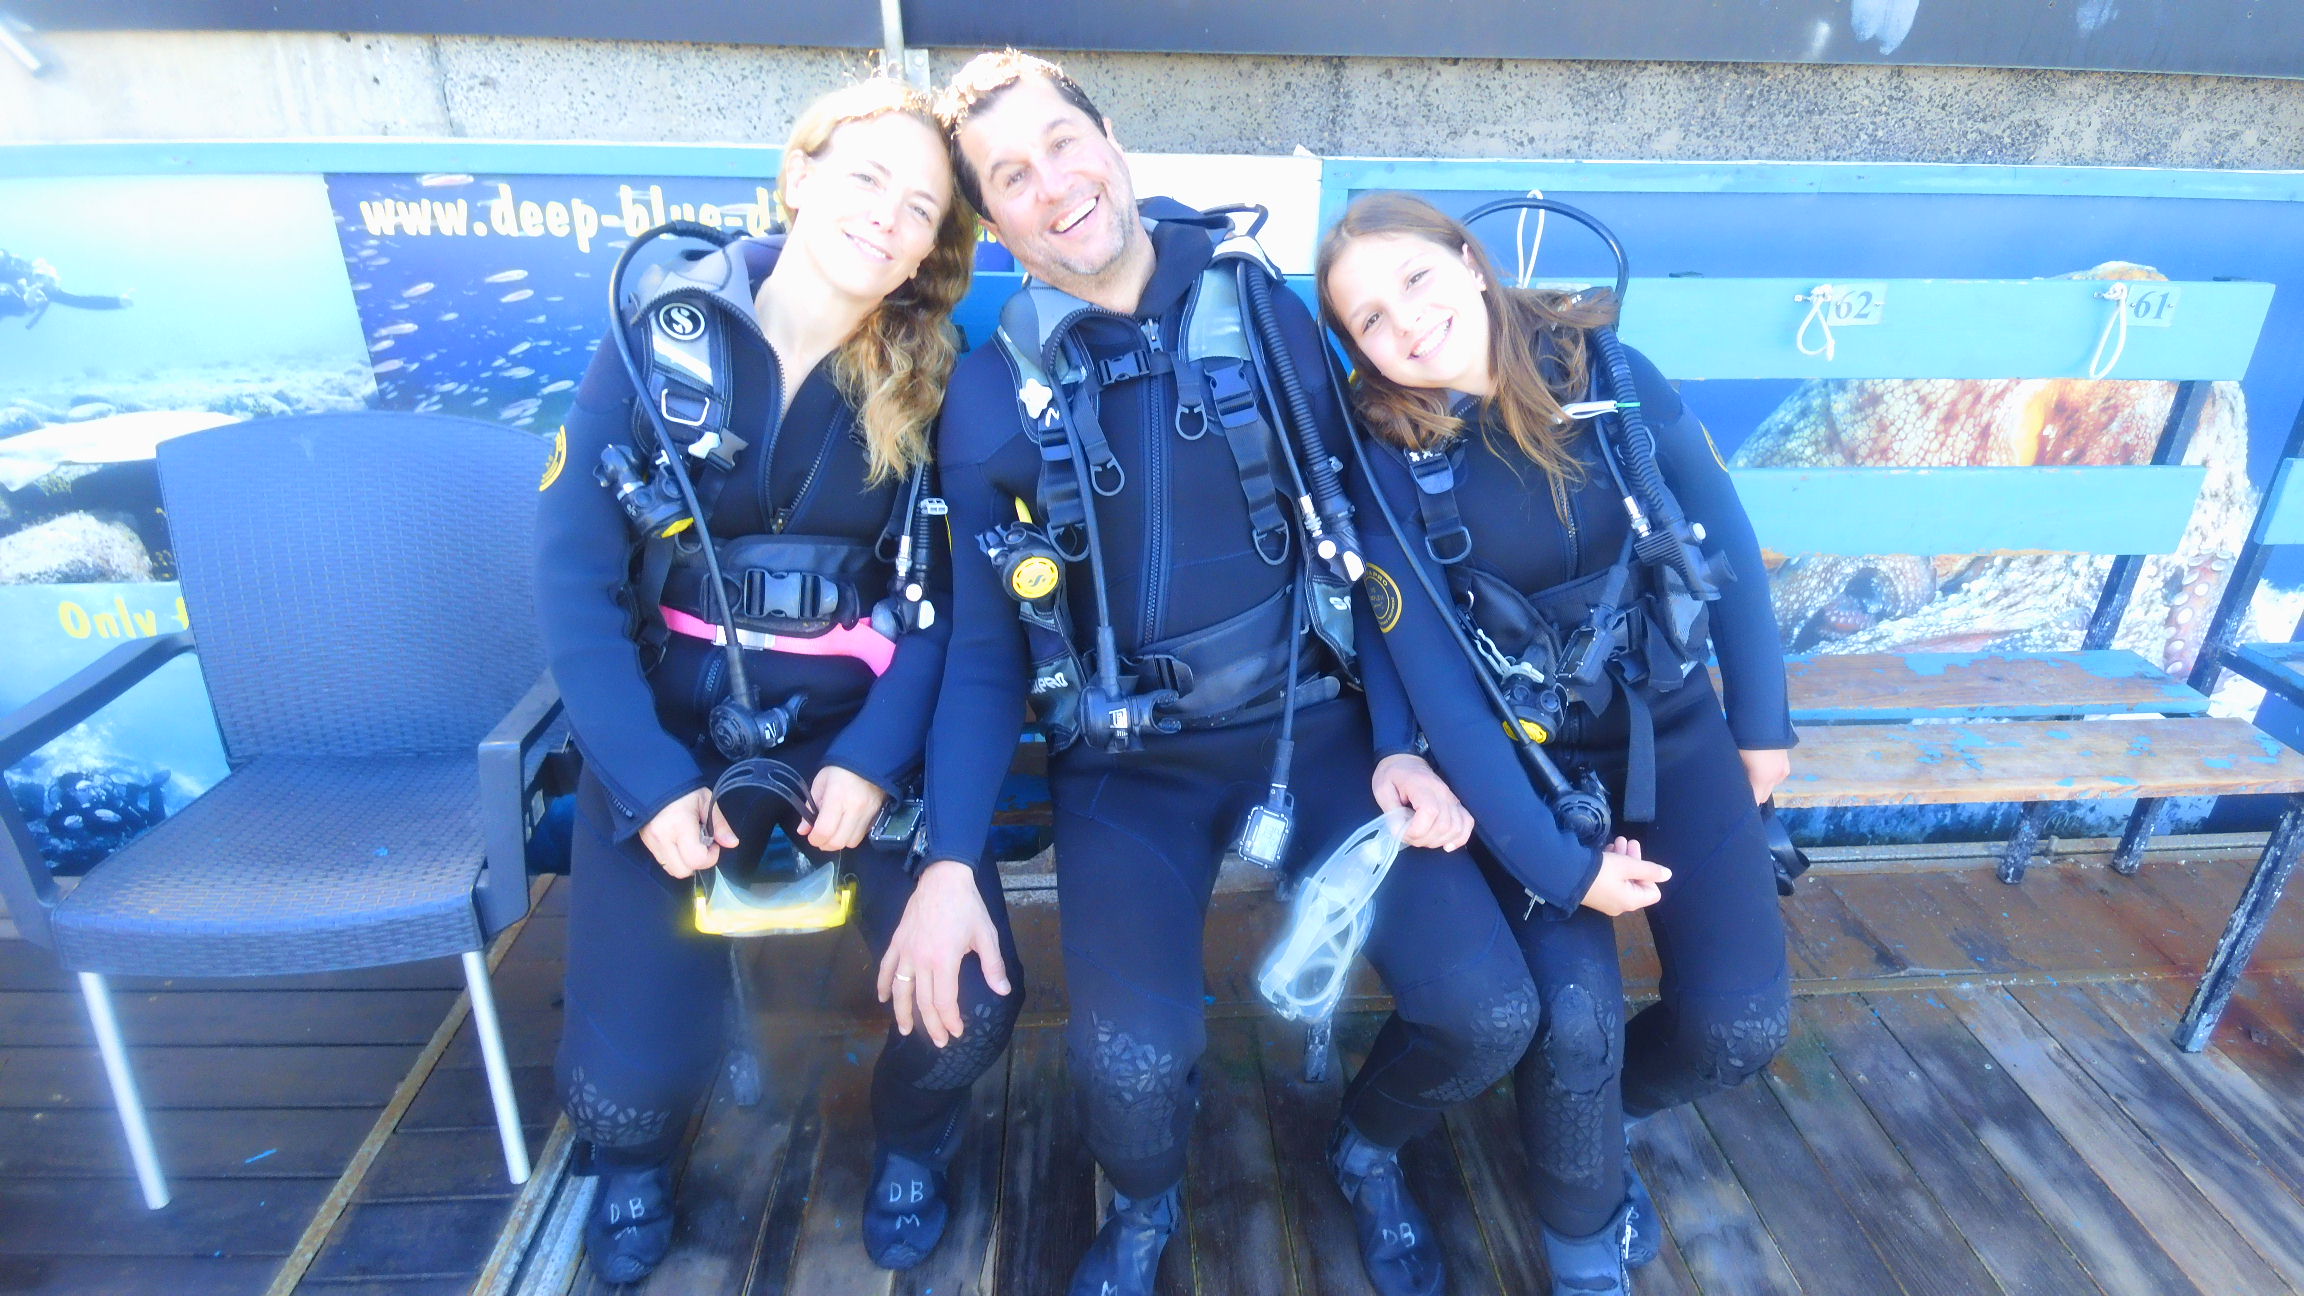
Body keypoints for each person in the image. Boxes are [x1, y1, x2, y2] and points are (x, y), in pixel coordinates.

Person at [887, 50, 1552, 1296]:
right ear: (993, 226)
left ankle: (1367, 1148)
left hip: (1319, 727)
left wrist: (1400, 741)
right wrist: (948, 864)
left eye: (1062, 145)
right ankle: (1144, 1208)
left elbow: (1369, 544)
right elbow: (981, 655)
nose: (1054, 185)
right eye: (1010, 177)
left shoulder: (1262, 308)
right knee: (1130, 1069)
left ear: (1112, 140)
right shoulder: (988, 398)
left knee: (1488, 1015)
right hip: (1125, 767)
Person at [533, 76, 999, 1283]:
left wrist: (874, 759)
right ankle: (638, 1162)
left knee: (970, 1009)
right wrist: (647, 780)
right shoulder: (658, 338)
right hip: (673, 734)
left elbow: (950, 611)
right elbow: (575, 583)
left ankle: (914, 1142)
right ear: (799, 175)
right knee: (619, 1093)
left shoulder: (942, 378)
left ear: (931, 249)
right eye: (866, 179)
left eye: (920, 207)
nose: (887, 216)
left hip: (858, 731)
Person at [1318, 191, 1796, 1294]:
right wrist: (1566, 871)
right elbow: (1445, 698)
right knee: (1574, 1021)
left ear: (1470, 261)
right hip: (1527, 767)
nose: (1407, 322)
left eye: (1417, 280)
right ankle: (1585, 1252)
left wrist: (1762, 724)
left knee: (1737, 1026)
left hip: (1674, 730)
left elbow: (1722, 532)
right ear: (1358, 352)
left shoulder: (1609, 372)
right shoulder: (1388, 455)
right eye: (1371, 319)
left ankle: (1586, 1119)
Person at [0, 250, 132, 328]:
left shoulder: (48, 292)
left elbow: (81, 301)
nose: (42, 284)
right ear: (31, 273)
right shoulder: (11, 271)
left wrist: (117, 302)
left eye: (50, 280)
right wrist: (23, 304)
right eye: (39, 276)